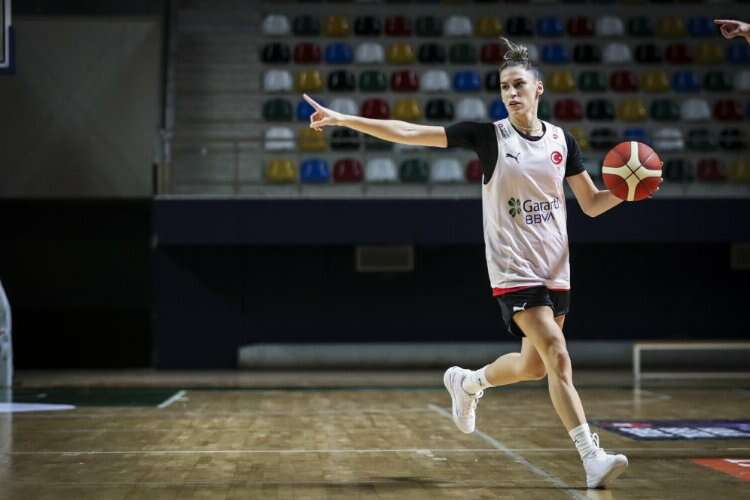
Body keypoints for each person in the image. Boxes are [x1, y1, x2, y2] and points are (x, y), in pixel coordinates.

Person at [302, 37, 653, 489]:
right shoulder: (489, 137)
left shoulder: (561, 141)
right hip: (514, 270)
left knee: (534, 367)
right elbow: (409, 131)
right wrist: (343, 118)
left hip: (556, 270)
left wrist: (627, 191)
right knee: (558, 355)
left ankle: (469, 382)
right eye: (504, 86)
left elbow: (590, 203)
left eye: (519, 84)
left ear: (538, 89)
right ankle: (591, 458)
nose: (511, 93)